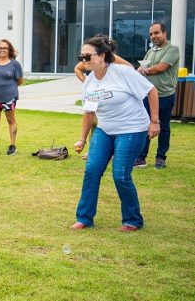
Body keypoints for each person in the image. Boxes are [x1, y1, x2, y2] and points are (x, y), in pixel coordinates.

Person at [71, 35, 160, 232]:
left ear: (102, 55)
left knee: (120, 174)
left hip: (132, 129)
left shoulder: (123, 73)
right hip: (105, 130)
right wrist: (82, 139)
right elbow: (89, 113)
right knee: (92, 170)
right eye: (81, 57)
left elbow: (151, 91)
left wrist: (154, 122)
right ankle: (84, 218)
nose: (83, 61)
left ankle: (132, 220)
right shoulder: (89, 82)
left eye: (88, 56)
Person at [135, 22, 180, 169]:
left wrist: (145, 70)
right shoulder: (151, 51)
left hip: (165, 95)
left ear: (164, 33)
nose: (153, 36)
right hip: (148, 95)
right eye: (151, 34)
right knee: (144, 126)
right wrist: (141, 68)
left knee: (164, 127)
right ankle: (141, 158)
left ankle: (161, 158)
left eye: (156, 33)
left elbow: (161, 68)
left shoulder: (172, 49)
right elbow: (143, 66)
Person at [0, 39, 23, 156]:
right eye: (0, 48)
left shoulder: (14, 64)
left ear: (9, 50)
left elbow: (20, 80)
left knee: (11, 120)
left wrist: (9, 88)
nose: (2, 50)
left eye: (5, 48)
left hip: (9, 97)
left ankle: (12, 146)